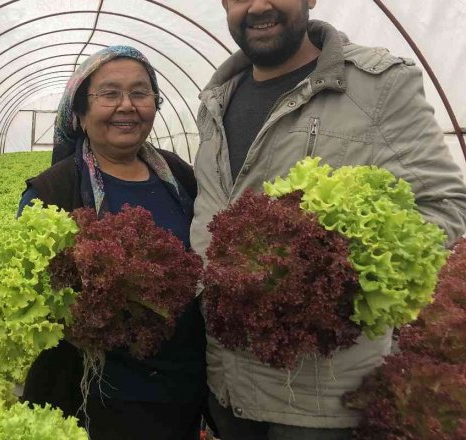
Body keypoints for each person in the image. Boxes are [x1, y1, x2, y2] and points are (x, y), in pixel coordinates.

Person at [192, 1, 466, 439]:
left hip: (320, 403)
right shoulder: (215, 98)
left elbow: (445, 203)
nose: (258, 5)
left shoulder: (376, 85)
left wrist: (333, 275)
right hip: (224, 383)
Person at [17, 45, 208, 440]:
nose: (127, 106)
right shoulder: (51, 193)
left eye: (140, 93)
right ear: (81, 114)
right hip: (88, 398)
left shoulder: (180, 177)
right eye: (109, 94)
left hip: (180, 391)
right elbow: (31, 302)